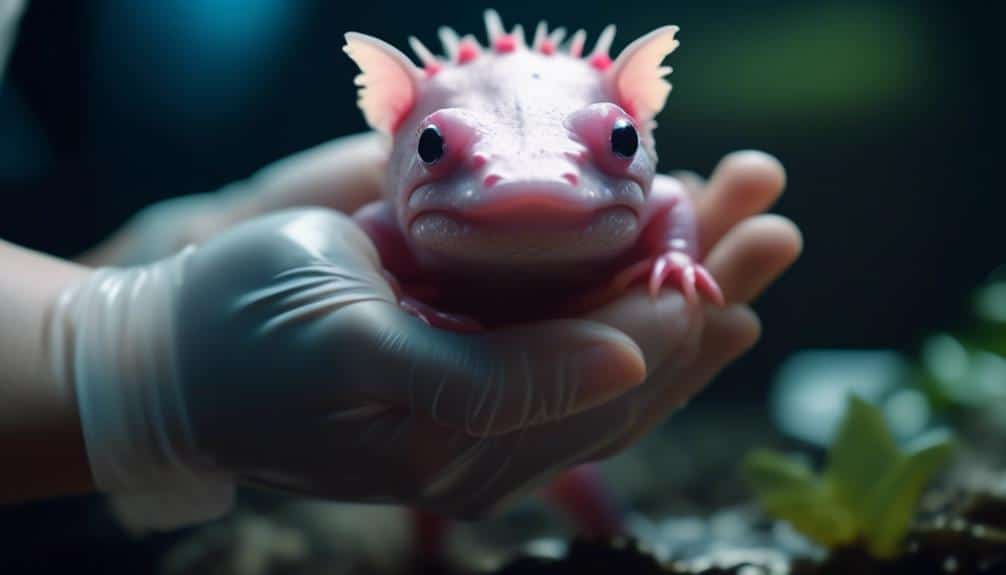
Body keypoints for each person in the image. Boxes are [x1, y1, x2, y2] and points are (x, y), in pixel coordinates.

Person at [0, 0, 802, 529]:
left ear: (641, 112)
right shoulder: (379, 219)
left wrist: (672, 251)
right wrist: (120, 359)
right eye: (436, 150)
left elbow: (669, 208)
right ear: (392, 123)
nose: (530, 183)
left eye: (617, 145)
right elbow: (366, 248)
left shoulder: (639, 196)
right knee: (485, 457)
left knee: (547, 460)